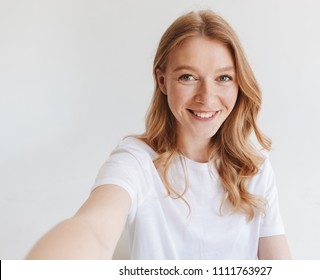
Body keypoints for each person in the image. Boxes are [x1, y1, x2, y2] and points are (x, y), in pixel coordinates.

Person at [26, 9, 292, 260]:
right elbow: (93, 229)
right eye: (188, 77)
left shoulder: (254, 168)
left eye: (223, 78)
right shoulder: (136, 161)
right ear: (162, 81)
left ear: (239, 83)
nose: (206, 97)